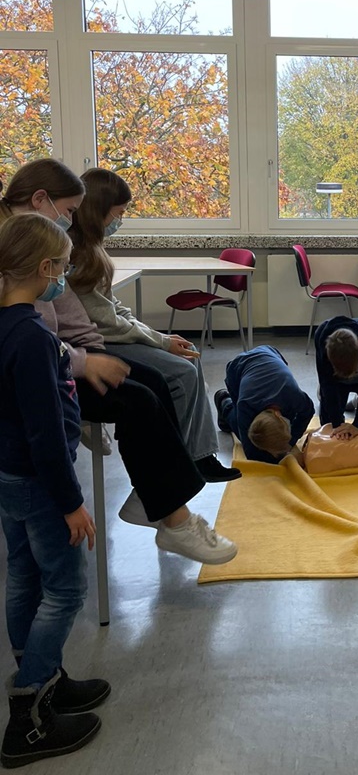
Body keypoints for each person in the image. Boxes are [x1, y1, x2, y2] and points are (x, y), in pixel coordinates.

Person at [0, 159, 239, 564]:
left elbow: (69, 312)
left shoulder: (37, 238)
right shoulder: (21, 247)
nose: (71, 219)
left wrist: (94, 351)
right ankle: (174, 518)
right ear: (40, 199)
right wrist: (84, 362)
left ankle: (155, 497)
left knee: (153, 382)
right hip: (42, 367)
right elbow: (27, 338)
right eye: (69, 210)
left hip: (63, 354)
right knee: (139, 400)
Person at [0, 213, 107, 766]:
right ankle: (29, 714)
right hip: (42, 484)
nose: (64, 278)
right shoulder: (33, 337)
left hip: (9, 478)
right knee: (65, 590)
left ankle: (44, 679)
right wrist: (72, 504)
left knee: (23, 576)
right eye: (62, 268)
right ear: (45, 269)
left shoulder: (6, 326)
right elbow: (45, 433)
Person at [67, 167, 240, 483]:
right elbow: (109, 324)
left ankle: (200, 455)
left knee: (189, 356)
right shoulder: (76, 254)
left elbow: (114, 308)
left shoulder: (92, 249)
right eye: (119, 213)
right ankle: (182, 463)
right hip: (98, 343)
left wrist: (158, 336)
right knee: (182, 372)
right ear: (98, 210)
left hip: (110, 335)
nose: (120, 221)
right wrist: (159, 341)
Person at [215, 345, 314, 463]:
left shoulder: (293, 395)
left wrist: (290, 441)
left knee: (290, 420)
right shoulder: (245, 405)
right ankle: (224, 402)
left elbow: (308, 412)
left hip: (270, 354)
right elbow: (251, 453)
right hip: (237, 368)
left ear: (278, 414)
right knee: (241, 428)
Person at [314, 316, 358, 439]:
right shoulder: (321, 336)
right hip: (335, 380)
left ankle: (357, 401)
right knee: (328, 427)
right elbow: (326, 383)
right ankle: (350, 400)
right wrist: (337, 423)